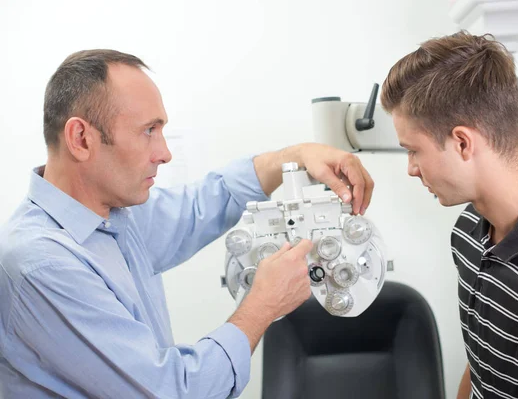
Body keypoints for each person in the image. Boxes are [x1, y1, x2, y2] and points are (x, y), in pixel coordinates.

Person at [0, 50, 374, 398]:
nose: (164, 153)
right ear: (81, 138)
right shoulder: (41, 264)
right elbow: (171, 391)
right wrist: (262, 304)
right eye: (149, 130)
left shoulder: (114, 217)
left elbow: (204, 203)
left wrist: (294, 156)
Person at [381, 31, 518, 399]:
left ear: (462, 143)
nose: (411, 169)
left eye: (413, 151)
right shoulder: (468, 229)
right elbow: (482, 360)